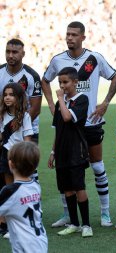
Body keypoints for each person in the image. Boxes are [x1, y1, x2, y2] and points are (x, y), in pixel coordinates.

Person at [41, 21, 116, 227]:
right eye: (67, 34)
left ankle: (105, 212)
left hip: (91, 124)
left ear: (83, 37)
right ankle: (68, 215)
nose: (69, 38)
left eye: (74, 35)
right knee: (64, 168)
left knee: (97, 167)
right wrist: (52, 106)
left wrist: (104, 103)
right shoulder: (58, 60)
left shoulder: (94, 58)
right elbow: (45, 80)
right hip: (68, 126)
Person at [48, 67, 92, 237]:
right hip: (61, 152)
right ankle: (74, 223)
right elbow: (58, 129)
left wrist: (60, 98)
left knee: (79, 187)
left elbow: (67, 118)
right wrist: (53, 152)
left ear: (75, 82)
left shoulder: (82, 99)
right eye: (60, 82)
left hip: (76, 151)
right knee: (67, 188)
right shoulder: (61, 103)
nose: (62, 85)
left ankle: (86, 225)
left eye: (65, 82)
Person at [0, 39, 42, 181]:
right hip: (3, 132)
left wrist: (15, 125)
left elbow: (35, 108)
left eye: (15, 52)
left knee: (28, 170)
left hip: (27, 131)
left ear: (23, 54)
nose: (11, 55)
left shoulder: (32, 76)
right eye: (8, 51)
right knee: (5, 170)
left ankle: (32, 199)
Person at [0, 142, 48, 253]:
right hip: (40, 241)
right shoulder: (35, 185)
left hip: (26, 246)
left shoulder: (10, 191)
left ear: (11, 164)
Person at [0, 82, 34, 239]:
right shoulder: (1, 115)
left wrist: (27, 158)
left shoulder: (25, 116)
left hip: (19, 156)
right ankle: (7, 225)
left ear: (19, 97)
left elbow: (28, 140)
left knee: (21, 190)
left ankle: (24, 223)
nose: (7, 97)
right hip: (5, 155)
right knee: (9, 190)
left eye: (11, 94)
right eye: (5, 94)